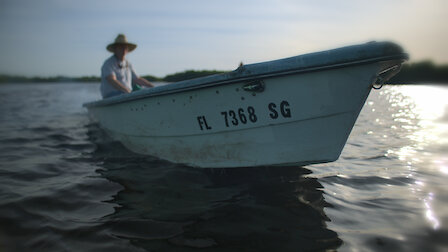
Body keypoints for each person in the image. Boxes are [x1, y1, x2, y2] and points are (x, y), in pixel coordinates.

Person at [100, 34, 154, 98]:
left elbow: (137, 79)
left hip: (127, 94)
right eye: (120, 47)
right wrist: (126, 90)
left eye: (125, 47)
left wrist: (153, 87)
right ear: (115, 49)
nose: (123, 49)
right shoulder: (108, 63)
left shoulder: (128, 64)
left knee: (141, 89)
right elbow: (112, 80)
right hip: (112, 96)